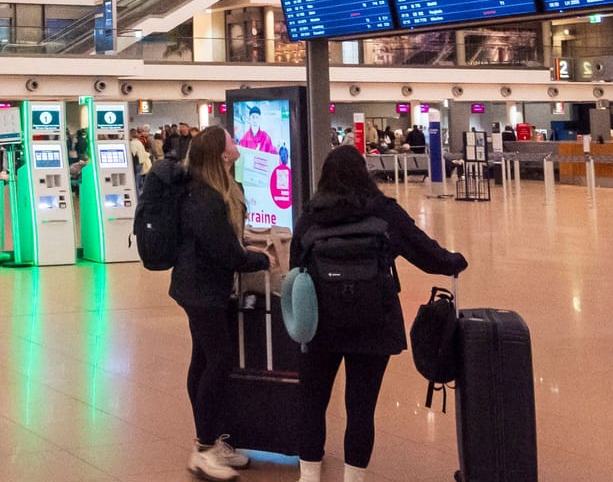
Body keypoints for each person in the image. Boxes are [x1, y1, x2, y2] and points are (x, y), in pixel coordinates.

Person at [291, 145, 467, 482]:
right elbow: (428, 254)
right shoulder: (385, 212)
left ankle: (309, 477)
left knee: (312, 403)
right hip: (374, 322)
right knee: (361, 407)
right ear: (365, 174)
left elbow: (296, 268)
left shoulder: (311, 214)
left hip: (319, 324)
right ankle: (353, 478)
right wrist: (455, 261)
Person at [171, 126, 269, 482]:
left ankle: (209, 441)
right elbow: (225, 252)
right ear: (221, 154)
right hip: (201, 290)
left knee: (204, 357)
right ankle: (203, 448)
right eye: (230, 140)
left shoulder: (217, 190)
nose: (236, 143)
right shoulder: (205, 197)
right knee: (219, 358)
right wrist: (261, 260)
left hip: (201, 287)